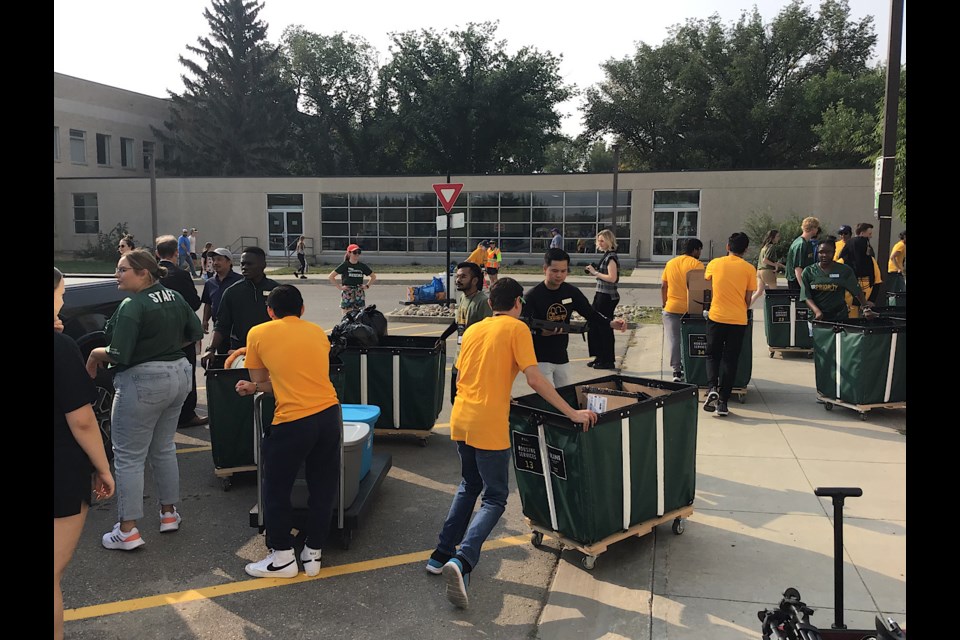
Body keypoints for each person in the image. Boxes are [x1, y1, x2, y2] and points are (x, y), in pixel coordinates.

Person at [427, 278, 599, 609]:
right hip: (489, 421)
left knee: (469, 483)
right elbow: (535, 378)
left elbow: (460, 374)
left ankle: (440, 553)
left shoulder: (476, 329)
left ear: (491, 303)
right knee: (495, 496)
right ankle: (463, 561)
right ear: (518, 303)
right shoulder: (517, 329)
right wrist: (571, 412)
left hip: (461, 416)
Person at [85, 249, 202, 550]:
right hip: (178, 374)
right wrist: (165, 349)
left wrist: (94, 354)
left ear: (143, 273)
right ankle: (169, 514)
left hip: (143, 380)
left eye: (123, 269)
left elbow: (118, 353)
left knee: (128, 457)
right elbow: (195, 331)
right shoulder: (174, 297)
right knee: (163, 448)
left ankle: (128, 530)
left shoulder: (132, 305)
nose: (116, 274)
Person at [234, 285, 342, 578]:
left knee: (276, 487)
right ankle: (314, 552)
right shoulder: (318, 332)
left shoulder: (258, 333)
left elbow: (264, 382)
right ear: (302, 309)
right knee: (323, 485)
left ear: (270, 311)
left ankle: (282, 556)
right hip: (330, 415)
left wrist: (252, 387)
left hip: (293, 420)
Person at [54, 267, 115, 640]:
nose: (61, 305)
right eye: (59, 295)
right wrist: (103, 467)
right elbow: (82, 421)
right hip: (60, 472)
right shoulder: (60, 347)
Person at [524, 248, 627, 387]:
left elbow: (590, 313)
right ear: (545, 269)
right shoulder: (532, 296)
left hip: (562, 356)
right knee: (548, 401)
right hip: (539, 359)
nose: (559, 275)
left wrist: (611, 323)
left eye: (563, 271)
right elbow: (522, 326)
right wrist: (541, 332)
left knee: (567, 395)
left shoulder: (571, 292)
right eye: (554, 271)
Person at [702, 232, 757, 418]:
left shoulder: (715, 264)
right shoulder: (750, 269)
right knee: (730, 359)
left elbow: (707, 280)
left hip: (717, 316)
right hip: (738, 319)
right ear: (746, 250)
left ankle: (711, 388)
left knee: (712, 354)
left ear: (727, 247)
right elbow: (748, 299)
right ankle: (723, 402)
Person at [155, 235, 207, 428]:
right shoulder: (181, 275)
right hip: (181, 333)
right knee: (187, 374)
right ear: (176, 253)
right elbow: (194, 303)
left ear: (156, 253)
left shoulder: (150, 274)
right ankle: (186, 415)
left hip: (157, 331)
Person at [202, 246, 279, 364]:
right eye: (242, 264)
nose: (244, 268)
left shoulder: (277, 291)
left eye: (249, 264)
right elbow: (221, 325)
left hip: (272, 351)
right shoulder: (232, 292)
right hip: (241, 353)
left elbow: (288, 322)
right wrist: (211, 349)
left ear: (263, 265)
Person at [440, 261, 493, 405]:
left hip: (474, 364)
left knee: (470, 403)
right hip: (459, 359)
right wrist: (442, 337)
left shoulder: (483, 302)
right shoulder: (463, 297)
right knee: (455, 400)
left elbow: (489, 333)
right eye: (457, 276)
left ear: (475, 280)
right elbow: (458, 322)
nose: (458, 280)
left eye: (463, 277)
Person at [661, 239, 704, 382]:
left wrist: (664, 303)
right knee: (691, 340)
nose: (700, 253)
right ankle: (690, 367)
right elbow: (699, 289)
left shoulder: (670, 263)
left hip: (671, 307)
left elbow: (663, 286)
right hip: (691, 309)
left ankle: (676, 372)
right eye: (699, 250)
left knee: (674, 340)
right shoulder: (697, 264)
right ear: (695, 250)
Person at [800, 238, 873, 323]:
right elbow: (806, 296)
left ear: (834, 252)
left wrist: (865, 307)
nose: (824, 255)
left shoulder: (844, 270)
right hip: (817, 318)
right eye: (821, 252)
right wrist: (817, 312)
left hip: (839, 317)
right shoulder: (808, 271)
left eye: (828, 252)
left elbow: (857, 291)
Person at [584, 229, 620, 369]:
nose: (600, 243)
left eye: (602, 240)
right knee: (594, 325)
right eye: (598, 240)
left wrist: (596, 272)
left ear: (609, 241)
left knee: (604, 326)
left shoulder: (611, 257)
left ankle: (607, 360)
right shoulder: (606, 256)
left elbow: (612, 278)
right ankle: (599, 356)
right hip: (600, 293)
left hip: (607, 296)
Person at [200, 248, 243, 347]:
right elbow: (208, 303)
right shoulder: (210, 283)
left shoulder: (240, 281)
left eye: (219, 259)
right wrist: (205, 320)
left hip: (237, 329)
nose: (215, 263)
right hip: (218, 328)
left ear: (229, 262)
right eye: (213, 260)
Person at [838, 224, 883, 311]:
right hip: (846, 307)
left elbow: (877, 282)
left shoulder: (871, 261)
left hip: (866, 307)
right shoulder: (841, 263)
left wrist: (871, 300)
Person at [328, 243, 376, 315]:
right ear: (349, 253)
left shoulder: (362, 266)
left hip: (359, 291)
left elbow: (373, 276)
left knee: (360, 313)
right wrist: (340, 287)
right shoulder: (345, 265)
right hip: (348, 291)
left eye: (358, 252)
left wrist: (367, 286)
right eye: (354, 252)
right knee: (347, 313)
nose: (357, 254)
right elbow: (331, 276)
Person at [784, 216, 820, 292]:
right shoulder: (800, 244)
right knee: (800, 303)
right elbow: (798, 269)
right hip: (797, 281)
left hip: (806, 279)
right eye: (817, 227)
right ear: (813, 228)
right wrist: (803, 288)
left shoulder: (808, 243)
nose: (817, 230)